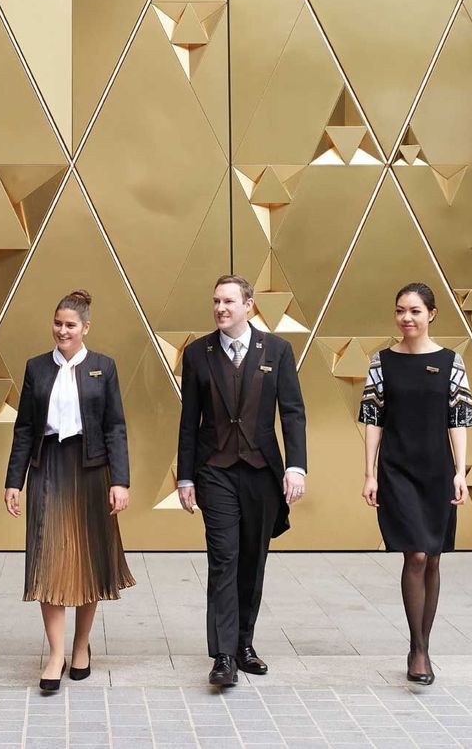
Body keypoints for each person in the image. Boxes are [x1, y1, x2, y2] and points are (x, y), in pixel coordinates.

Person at [177, 275, 307, 686]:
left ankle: (244, 644)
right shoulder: (198, 353)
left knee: (253, 559)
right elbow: (188, 421)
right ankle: (223, 656)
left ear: (248, 305)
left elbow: (292, 412)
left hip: (260, 472)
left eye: (229, 301)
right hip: (214, 470)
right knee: (224, 558)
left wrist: (296, 466)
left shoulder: (278, 350)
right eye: (216, 301)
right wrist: (184, 476)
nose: (220, 308)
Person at [4, 289, 135, 692]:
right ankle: (55, 653)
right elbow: (25, 427)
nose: (63, 330)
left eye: (71, 325)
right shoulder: (36, 368)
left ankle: (81, 646)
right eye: (58, 323)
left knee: (89, 557)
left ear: (85, 328)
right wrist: (14, 480)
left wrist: (120, 480)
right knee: (49, 558)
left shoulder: (103, 367)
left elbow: (115, 426)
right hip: (49, 468)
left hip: (91, 468)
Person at [359, 282, 472, 685]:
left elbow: (458, 420)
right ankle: (418, 649)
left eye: (414, 311)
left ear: (431, 314)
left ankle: (424, 642)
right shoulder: (382, 361)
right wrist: (370, 473)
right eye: (400, 311)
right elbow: (372, 418)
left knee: (436, 557)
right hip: (397, 469)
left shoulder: (450, 361)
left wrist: (460, 472)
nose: (406, 318)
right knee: (417, 556)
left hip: (437, 471)